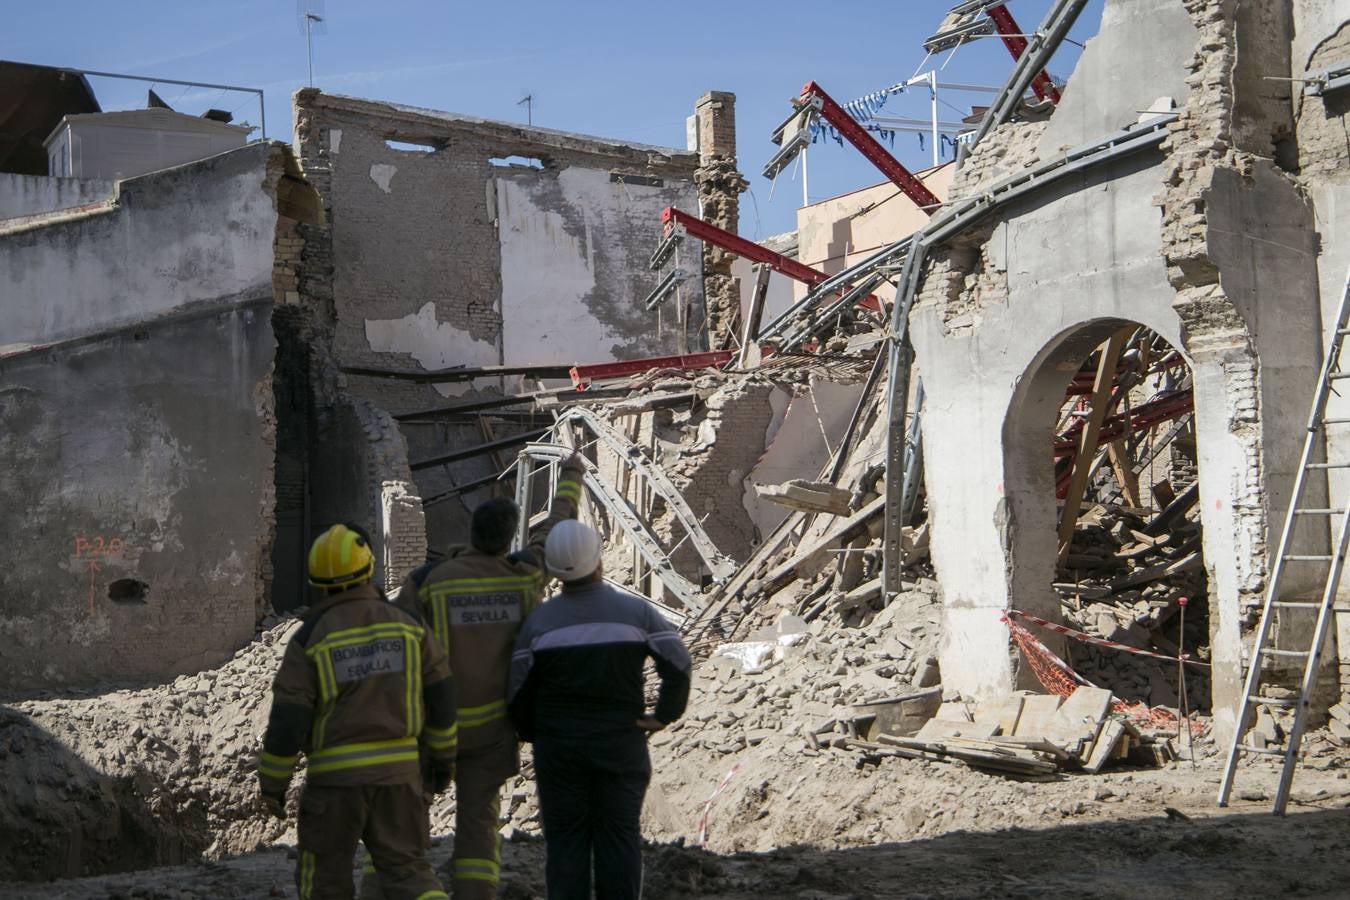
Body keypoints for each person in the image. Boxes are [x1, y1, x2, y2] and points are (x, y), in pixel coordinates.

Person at [395, 452, 586, 898]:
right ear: (506, 542)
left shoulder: (428, 583)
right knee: (479, 824)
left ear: (472, 534)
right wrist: (572, 475)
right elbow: (555, 529)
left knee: (406, 816)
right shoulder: (523, 578)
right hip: (493, 730)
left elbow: (396, 649)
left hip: (430, 727)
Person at [258, 523, 457, 900]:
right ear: (369, 569)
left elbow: (288, 720)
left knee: (324, 881)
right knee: (409, 873)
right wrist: (443, 763)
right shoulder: (409, 626)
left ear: (317, 581)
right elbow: (443, 698)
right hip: (400, 778)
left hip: (335, 784)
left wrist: (273, 784)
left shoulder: (309, 638)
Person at [507, 520, 691, 900]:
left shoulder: (538, 623)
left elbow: (516, 690)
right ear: (599, 561)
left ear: (554, 569)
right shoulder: (635, 613)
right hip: (620, 745)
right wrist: (663, 714)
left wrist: (533, 732)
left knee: (566, 844)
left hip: (559, 752)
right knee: (620, 839)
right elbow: (678, 663)